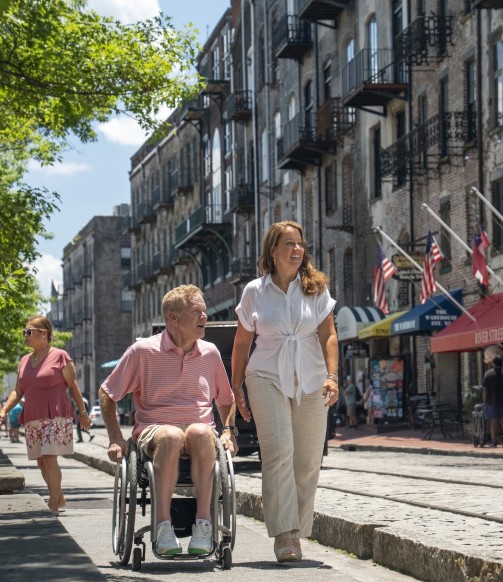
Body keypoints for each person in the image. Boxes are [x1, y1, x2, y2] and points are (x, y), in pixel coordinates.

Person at [99, 284, 237, 556]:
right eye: (196, 311)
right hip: (155, 430)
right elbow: (107, 392)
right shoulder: (142, 352)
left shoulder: (210, 353)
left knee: (199, 431)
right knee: (172, 435)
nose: (204, 317)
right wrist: (115, 437)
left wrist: (229, 431)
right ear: (173, 318)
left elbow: (226, 398)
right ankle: (163, 525)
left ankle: (204, 524)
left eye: (204, 311)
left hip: (200, 430)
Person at [231, 220, 339, 563]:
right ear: (273, 252)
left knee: (308, 460)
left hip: (311, 377)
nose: (297, 249)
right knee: (280, 452)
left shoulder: (316, 289)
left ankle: (297, 528)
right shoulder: (254, 291)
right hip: (265, 376)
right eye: (289, 244)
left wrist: (332, 376)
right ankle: (285, 535)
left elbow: (329, 336)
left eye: (300, 244)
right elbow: (242, 341)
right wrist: (236, 386)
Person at [0, 316, 90, 514]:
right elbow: (18, 390)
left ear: (43, 333)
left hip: (55, 414)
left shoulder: (60, 356)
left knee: (49, 458)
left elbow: (73, 386)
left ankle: (53, 503)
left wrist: (83, 413)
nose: (25, 335)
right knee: (41, 462)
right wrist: (4, 410)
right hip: (33, 416)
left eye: (29, 331)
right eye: (25, 331)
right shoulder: (24, 361)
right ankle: (58, 495)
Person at [483, 356, 503, 448]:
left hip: (492, 400)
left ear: (493, 363)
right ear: (502, 363)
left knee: (494, 420)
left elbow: (485, 389)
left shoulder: (488, 374)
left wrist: (484, 400)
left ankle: (494, 441)